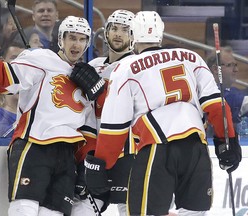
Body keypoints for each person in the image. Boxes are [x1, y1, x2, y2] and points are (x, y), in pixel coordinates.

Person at [84, 11, 242, 216]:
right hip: (196, 148)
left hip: (157, 148)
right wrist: (227, 143)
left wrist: (101, 166)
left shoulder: (126, 68)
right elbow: (217, 107)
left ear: (133, 36)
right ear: (160, 34)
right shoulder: (192, 57)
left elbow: (115, 129)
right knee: (193, 212)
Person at [0, 15, 105, 216]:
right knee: (25, 209)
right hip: (35, 145)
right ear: (61, 40)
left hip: (67, 155)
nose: (77, 44)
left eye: (82, 39)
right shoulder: (41, 59)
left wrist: (85, 163)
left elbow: (93, 125)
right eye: (72, 37)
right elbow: (7, 80)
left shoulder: (88, 79)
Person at [71, 9, 135, 216]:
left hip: (129, 150)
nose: (118, 34)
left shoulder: (136, 67)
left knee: (130, 208)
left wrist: (100, 92)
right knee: (84, 208)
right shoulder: (93, 66)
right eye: (114, 28)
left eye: (125, 30)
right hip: (97, 151)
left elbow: (131, 109)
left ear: (133, 36)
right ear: (105, 33)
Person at [0, 42, 24, 138]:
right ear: (2, 62)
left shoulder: (33, 113)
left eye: (23, 59)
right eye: (14, 58)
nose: (20, 63)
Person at [206, 46, 248, 136]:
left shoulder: (233, 91)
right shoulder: (211, 92)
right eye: (230, 65)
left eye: (236, 65)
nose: (236, 70)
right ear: (216, 69)